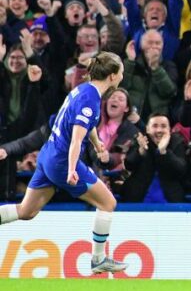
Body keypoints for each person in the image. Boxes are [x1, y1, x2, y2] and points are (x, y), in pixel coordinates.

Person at [0, 52, 128, 273]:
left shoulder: (83, 89)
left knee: (26, 211)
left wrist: (97, 143)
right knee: (108, 203)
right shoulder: (91, 99)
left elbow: (81, 124)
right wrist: (71, 170)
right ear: (113, 76)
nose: (122, 76)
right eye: (122, 73)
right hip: (61, 160)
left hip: (48, 155)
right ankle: (98, 259)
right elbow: (77, 138)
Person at [120, 112, 188, 203]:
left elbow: (181, 169)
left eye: (163, 126)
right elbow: (128, 165)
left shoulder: (177, 142)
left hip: (170, 199)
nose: (159, 130)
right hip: (138, 197)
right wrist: (140, 151)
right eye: (155, 126)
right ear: (147, 129)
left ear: (169, 129)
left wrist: (164, 151)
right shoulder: (140, 140)